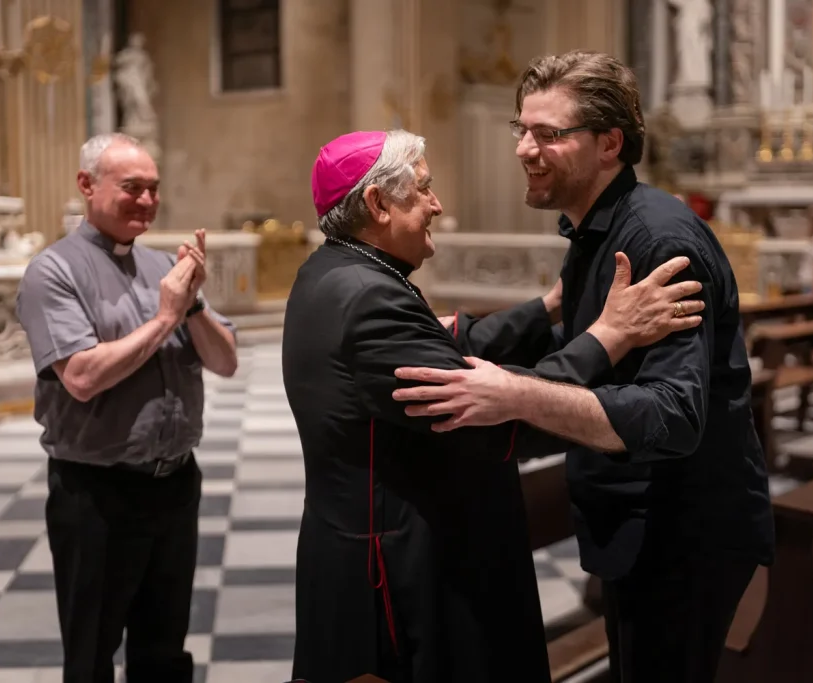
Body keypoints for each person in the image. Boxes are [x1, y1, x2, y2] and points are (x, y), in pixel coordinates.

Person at [392, 51, 775, 683]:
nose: (524, 148)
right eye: (521, 129)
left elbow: (676, 413)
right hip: (639, 527)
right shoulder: (595, 232)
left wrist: (516, 396)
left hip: (681, 534)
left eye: (548, 134)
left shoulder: (657, 242)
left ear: (609, 143)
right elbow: (586, 345)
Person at [282, 129, 705, 683]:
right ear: (378, 203)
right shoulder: (368, 298)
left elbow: (450, 342)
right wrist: (609, 336)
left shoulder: (340, 271)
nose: (436, 205)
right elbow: (488, 413)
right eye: (424, 190)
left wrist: (549, 308)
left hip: (376, 541)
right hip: (397, 570)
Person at [15, 132, 238, 683]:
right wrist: (165, 316)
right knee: (91, 657)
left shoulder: (165, 266)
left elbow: (226, 362)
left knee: (164, 653)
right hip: (97, 495)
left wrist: (193, 307)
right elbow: (83, 379)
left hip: (174, 485)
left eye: (153, 189)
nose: (146, 200)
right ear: (87, 186)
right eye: (132, 187)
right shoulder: (54, 272)